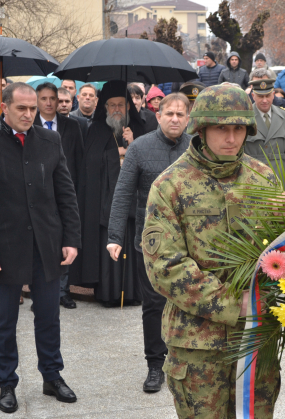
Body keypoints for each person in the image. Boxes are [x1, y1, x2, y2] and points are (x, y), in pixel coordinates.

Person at [142, 84, 281, 417]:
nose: (231, 138)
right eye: (222, 128)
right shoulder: (170, 185)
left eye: (238, 129)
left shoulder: (263, 179)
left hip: (255, 343)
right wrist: (235, 304)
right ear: (201, 129)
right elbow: (166, 268)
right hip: (197, 347)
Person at [0, 82, 81, 413]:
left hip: (47, 244)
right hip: (3, 249)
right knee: (4, 319)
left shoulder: (50, 140)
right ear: (5, 107)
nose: (30, 114)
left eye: (34, 108)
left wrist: (71, 238)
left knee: (48, 315)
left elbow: (66, 194)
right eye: (22, 108)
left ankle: (52, 375)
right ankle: (6, 383)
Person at [107, 93, 191, 394]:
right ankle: (155, 364)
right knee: (154, 306)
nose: (175, 119)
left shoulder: (198, 148)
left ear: (188, 118)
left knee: (188, 303)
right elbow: (122, 194)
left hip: (191, 244)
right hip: (151, 244)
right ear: (158, 115)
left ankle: (184, 360)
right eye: (169, 113)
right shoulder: (140, 148)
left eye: (181, 115)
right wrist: (115, 237)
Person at [71, 80, 157, 306]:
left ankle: (135, 292)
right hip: (106, 202)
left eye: (121, 104)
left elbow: (152, 164)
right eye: (112, 105)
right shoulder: (96, 129)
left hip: (136, 201)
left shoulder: (141, 129)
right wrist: (115, 154)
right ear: (105, 107)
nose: (117, 109)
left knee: (134, 243)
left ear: (129, 106)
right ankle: (109, 293)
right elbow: (89, 164)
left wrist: (134, 144)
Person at [32, 83, 84, 309]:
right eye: (43, 98)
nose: (49, 102)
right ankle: (38, 292)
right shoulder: (29, 125)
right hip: (37, 194)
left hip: (65, 192)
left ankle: (62, 291)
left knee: (65, 240)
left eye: (52, 98)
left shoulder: (72, 126)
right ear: (37, 101)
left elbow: (80, 161)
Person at [247, 78, 285, 182]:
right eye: (260, 96)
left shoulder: (284, 115)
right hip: (253, 175)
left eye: (267, 96)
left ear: (273, 95)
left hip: (280, 175)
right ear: (253, 96)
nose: (264, 100)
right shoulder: (246, 116)